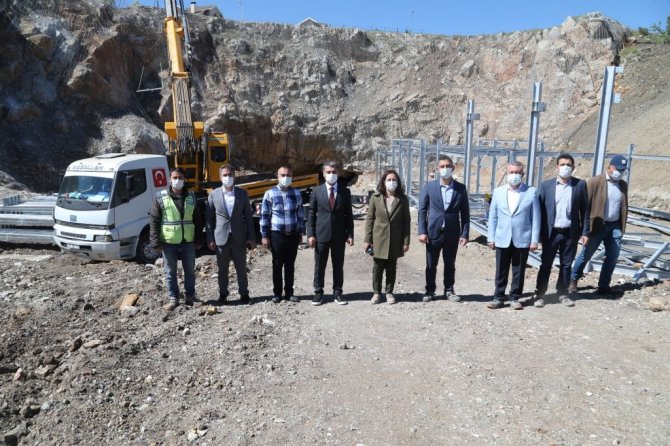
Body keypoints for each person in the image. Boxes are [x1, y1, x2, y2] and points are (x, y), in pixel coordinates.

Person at [532, 154, 590, 308]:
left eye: (568, 164)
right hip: (551, 233)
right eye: (563, 164)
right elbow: (538, 212)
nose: (565, 167)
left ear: (573, 167)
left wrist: (585, 232)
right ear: (557, 167)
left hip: (570, 233)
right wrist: (536, 235)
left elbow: (585, 211)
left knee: (566, 265)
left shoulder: (580, 185)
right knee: (546, 264)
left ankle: (562, 293)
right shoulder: (546, 186)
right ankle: (540, 294)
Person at [570, 155, 629, 296]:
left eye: (623, 170)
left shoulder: (623, 185)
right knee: (586, 254)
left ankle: (603, 285)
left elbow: (623, 206)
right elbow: (584, 206)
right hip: (597, 225)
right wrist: (584, 229)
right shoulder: (595, 182)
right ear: (610, 167)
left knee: (613, 256)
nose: (620, 172)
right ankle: (573, 280)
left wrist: (621, 226)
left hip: (614, 226)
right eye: (618, 169)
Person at [486, 161, 540, 310]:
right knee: (501, 269)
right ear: (507, 173)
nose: (514, 175)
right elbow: (493, 217)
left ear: (523, 174)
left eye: (517, 172)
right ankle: (498, 297)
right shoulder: (498, 192)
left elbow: (536, 218)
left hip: (522, 238)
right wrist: (491, 237)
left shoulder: (531, 192)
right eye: (511, 172)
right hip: (502, 237)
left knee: (519, 270)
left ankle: (515, 297)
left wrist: (534, 240)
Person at [149, 167, 204, 311]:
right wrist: (155, 242)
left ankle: (191, 297)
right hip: (169, 242)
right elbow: (154, 220)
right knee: (170, 272)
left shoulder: (191, 197)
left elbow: (197, 219)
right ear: (169, 179)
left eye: (180, 178)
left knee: (190, 271)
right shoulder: (160, 197)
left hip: (188, 240)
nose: (177, 180)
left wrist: (199, 239)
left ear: (184, 179)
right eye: (175, 178)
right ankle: (174, 298)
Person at [417, 155, 470, 302]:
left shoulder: (460, 188)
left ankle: (449, 290)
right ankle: (430, 291)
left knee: (450, 264)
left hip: (452, 233)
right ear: (437, 169)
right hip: (433, 232)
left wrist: (465, 234)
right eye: (442, 166)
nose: (445, 169)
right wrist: (422, 231)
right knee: (431, 264)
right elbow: (422, 210)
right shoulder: (429, 187)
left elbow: (465, 213)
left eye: (448, 166)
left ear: (453, 168)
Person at [206, 165, 256, 305]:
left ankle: (244, 294)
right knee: (222, 269)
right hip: (221, 238)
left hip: (239, 237)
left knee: (241, 268)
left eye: (230, 174)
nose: (227, 177)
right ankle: (223, 294)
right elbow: (209, 219)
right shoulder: (213, 194)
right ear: (220, 177)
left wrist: (251, 237)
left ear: (234, 176)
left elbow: (248, 217)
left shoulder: (242, 193)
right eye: (225, 175)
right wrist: (210, 238)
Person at [307, 160, 354, 306]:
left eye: (334, 172)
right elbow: (311, 214)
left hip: (339, 235)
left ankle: (338, 292)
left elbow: (349, 215)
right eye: (328, 172)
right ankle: (318, 293)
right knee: (319, 265)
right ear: (323, 174)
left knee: (338, 265)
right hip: (321, 235)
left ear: (338, 173)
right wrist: (310, 234)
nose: (331, 174)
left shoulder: (345, 192)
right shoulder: (317, 191)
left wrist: (350, 234)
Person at [363, 169, 411, 304]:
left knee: (391, 266)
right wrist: (367, 239)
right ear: (384, 182)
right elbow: (370, 219)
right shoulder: (376, 197)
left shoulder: (402, 199)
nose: (391, 182)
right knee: (377, 267)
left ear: (398, 182)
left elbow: (406, 221)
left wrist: (406, 241)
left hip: (395, 239)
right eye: (389, 180)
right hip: (378, 238)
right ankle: (377, 293)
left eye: (394, 180)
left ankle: (389, 292)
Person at [260, 165, 305, 303]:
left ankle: (289, 292)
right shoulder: (270, 193)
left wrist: (301, 232)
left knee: (290, 265)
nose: (286, 177)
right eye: (283, 175)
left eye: (288, 175)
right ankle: (277, 293)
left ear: (292, 177)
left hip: (292, 234)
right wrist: (265, 236)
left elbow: (300, 214)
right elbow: (264, 216)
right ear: (277, 177)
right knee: (277, 264)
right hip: (277, 235)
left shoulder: (297, 193)